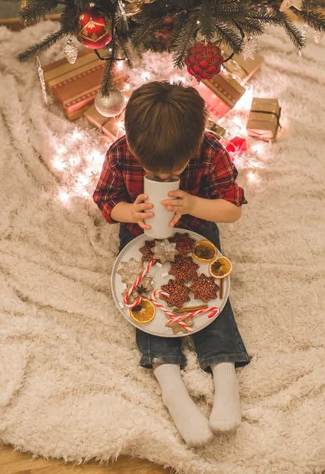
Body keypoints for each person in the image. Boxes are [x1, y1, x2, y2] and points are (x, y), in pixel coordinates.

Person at [93, 81, 251, 447]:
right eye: (154, 171)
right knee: (146, 300)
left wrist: (194, 205)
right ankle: (169, 381)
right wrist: (129, 211)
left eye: (173, 171)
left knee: (211, 297)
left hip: (196, 231)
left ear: (195, 143)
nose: (163, 179)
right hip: (140, 234)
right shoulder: (119, 155)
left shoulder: (211, 152)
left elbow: (231, 209)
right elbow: (104, 200)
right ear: (132, 143)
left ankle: (224, 370)